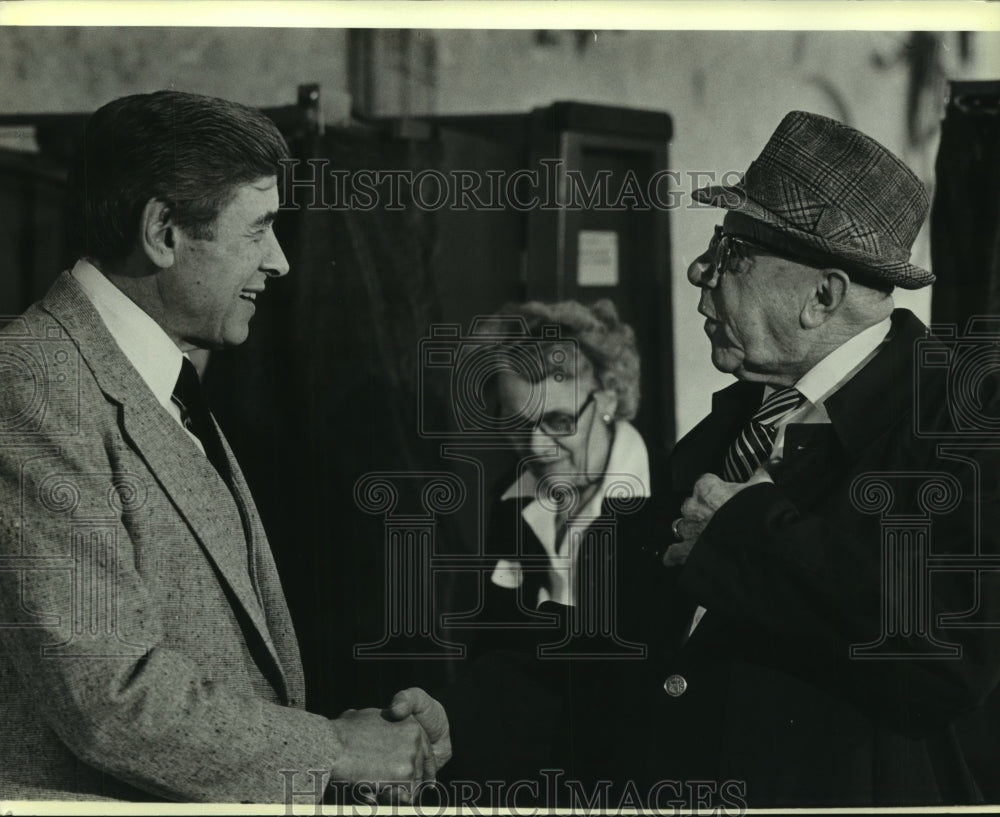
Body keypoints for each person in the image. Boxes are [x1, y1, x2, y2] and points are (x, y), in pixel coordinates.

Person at [0, 90, 449, 803]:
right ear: (163, 230)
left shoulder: (152, 377)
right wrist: (335, 749)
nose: (280, 262)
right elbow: (109, 697)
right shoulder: (30, 381)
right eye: (258, 229)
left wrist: (366, 749)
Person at [618, 110, 1000, 806]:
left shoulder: (964, 421)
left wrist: (745, 533)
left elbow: (949, 653)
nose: (699, 270)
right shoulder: (737, 422)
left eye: (732, 252)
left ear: (822, 297)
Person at [439, 300, 673, 789]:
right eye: (516, 424)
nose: (537, 448)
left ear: (608, 396)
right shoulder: (510, 500)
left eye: (558, 422)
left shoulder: (668, 508)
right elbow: (491, 653)